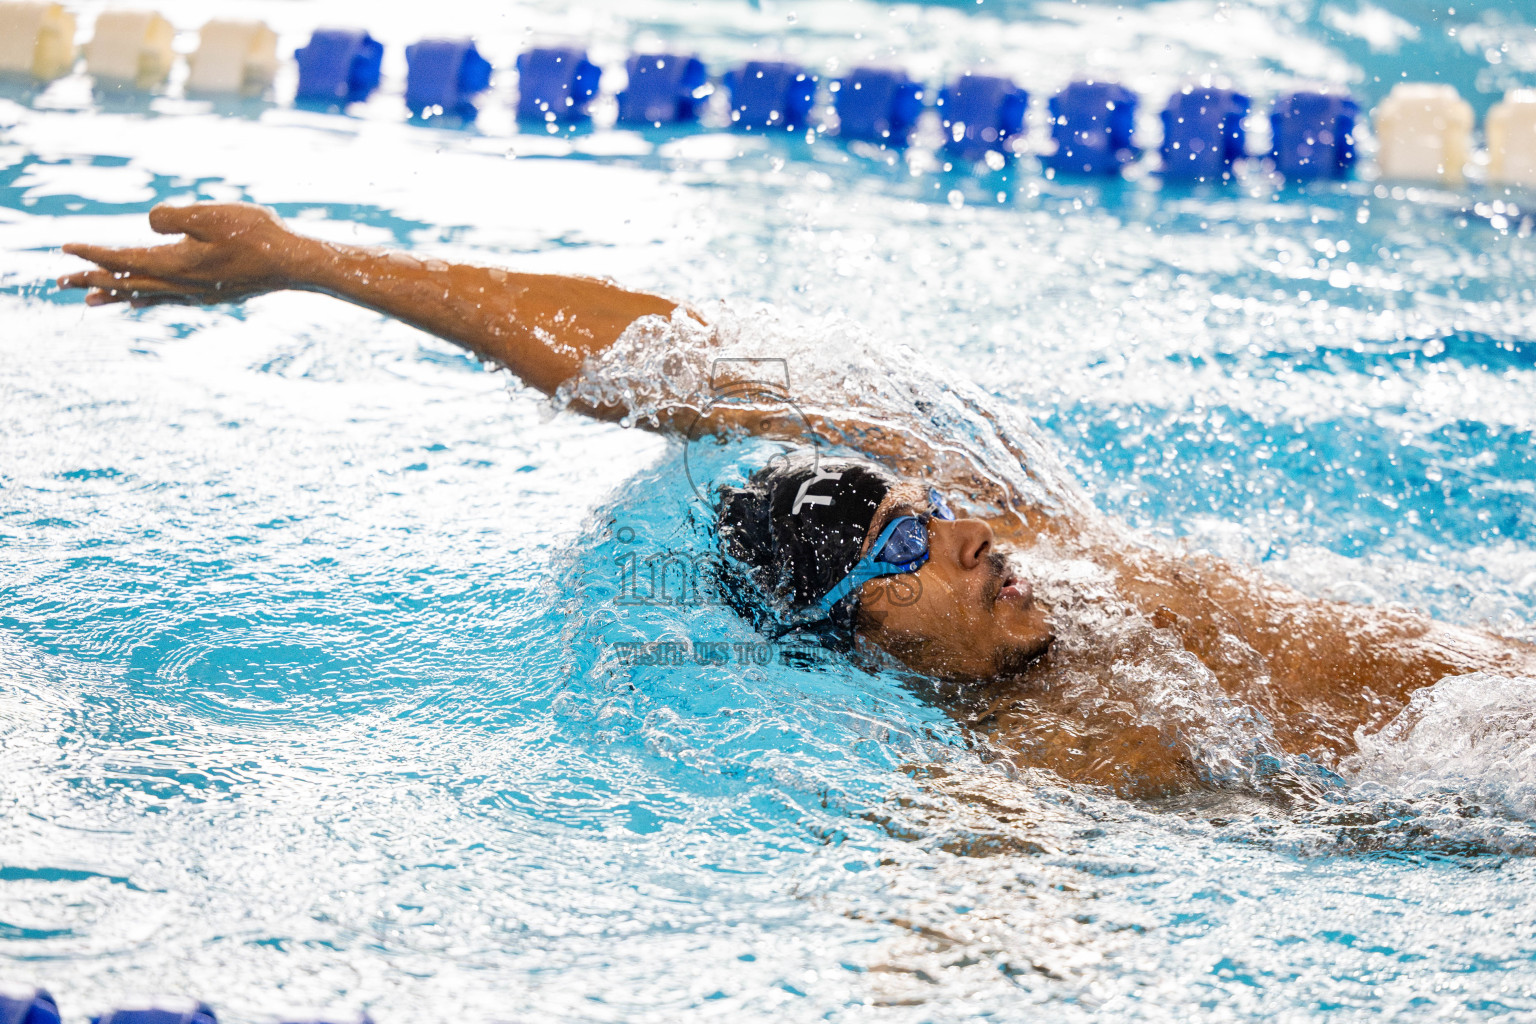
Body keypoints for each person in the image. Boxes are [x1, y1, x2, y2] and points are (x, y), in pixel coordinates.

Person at [57, 202, 1536, 798]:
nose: (968, 528)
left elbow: (654, 359)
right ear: (854, 637)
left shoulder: (1051, 546)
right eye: (909, 546)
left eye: (928, 508)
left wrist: (308, 257)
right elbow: (993, 922)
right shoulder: (1048, 766)